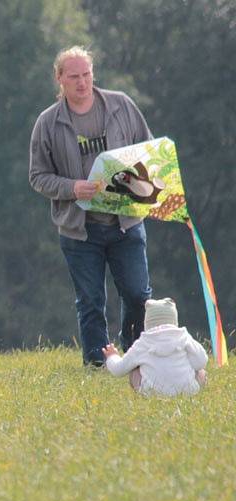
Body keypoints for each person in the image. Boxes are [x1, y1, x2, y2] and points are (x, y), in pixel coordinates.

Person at [29, 46, 153, 366]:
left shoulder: (121, 106)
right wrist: (72, 188)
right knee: (91, 302)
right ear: (59, 79)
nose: (82, 82)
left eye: (86, 74)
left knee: (138, 295)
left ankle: (133, 358)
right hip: (79, 230)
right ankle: (98, 366)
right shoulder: (47, 123)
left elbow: (149, 151)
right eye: (74, 77)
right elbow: (38, 176)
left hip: (126, 223)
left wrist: (138, 182)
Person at [102, 298, 208, 396]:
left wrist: (112, 357)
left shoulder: (142, 343)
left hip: (152, 393)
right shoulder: (184, 337)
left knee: (134, 372)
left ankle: (145, 392)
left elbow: (118, 370)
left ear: (147, 322)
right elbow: (201, 361)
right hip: (188, 391)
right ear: (174, 320)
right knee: (201, 372)